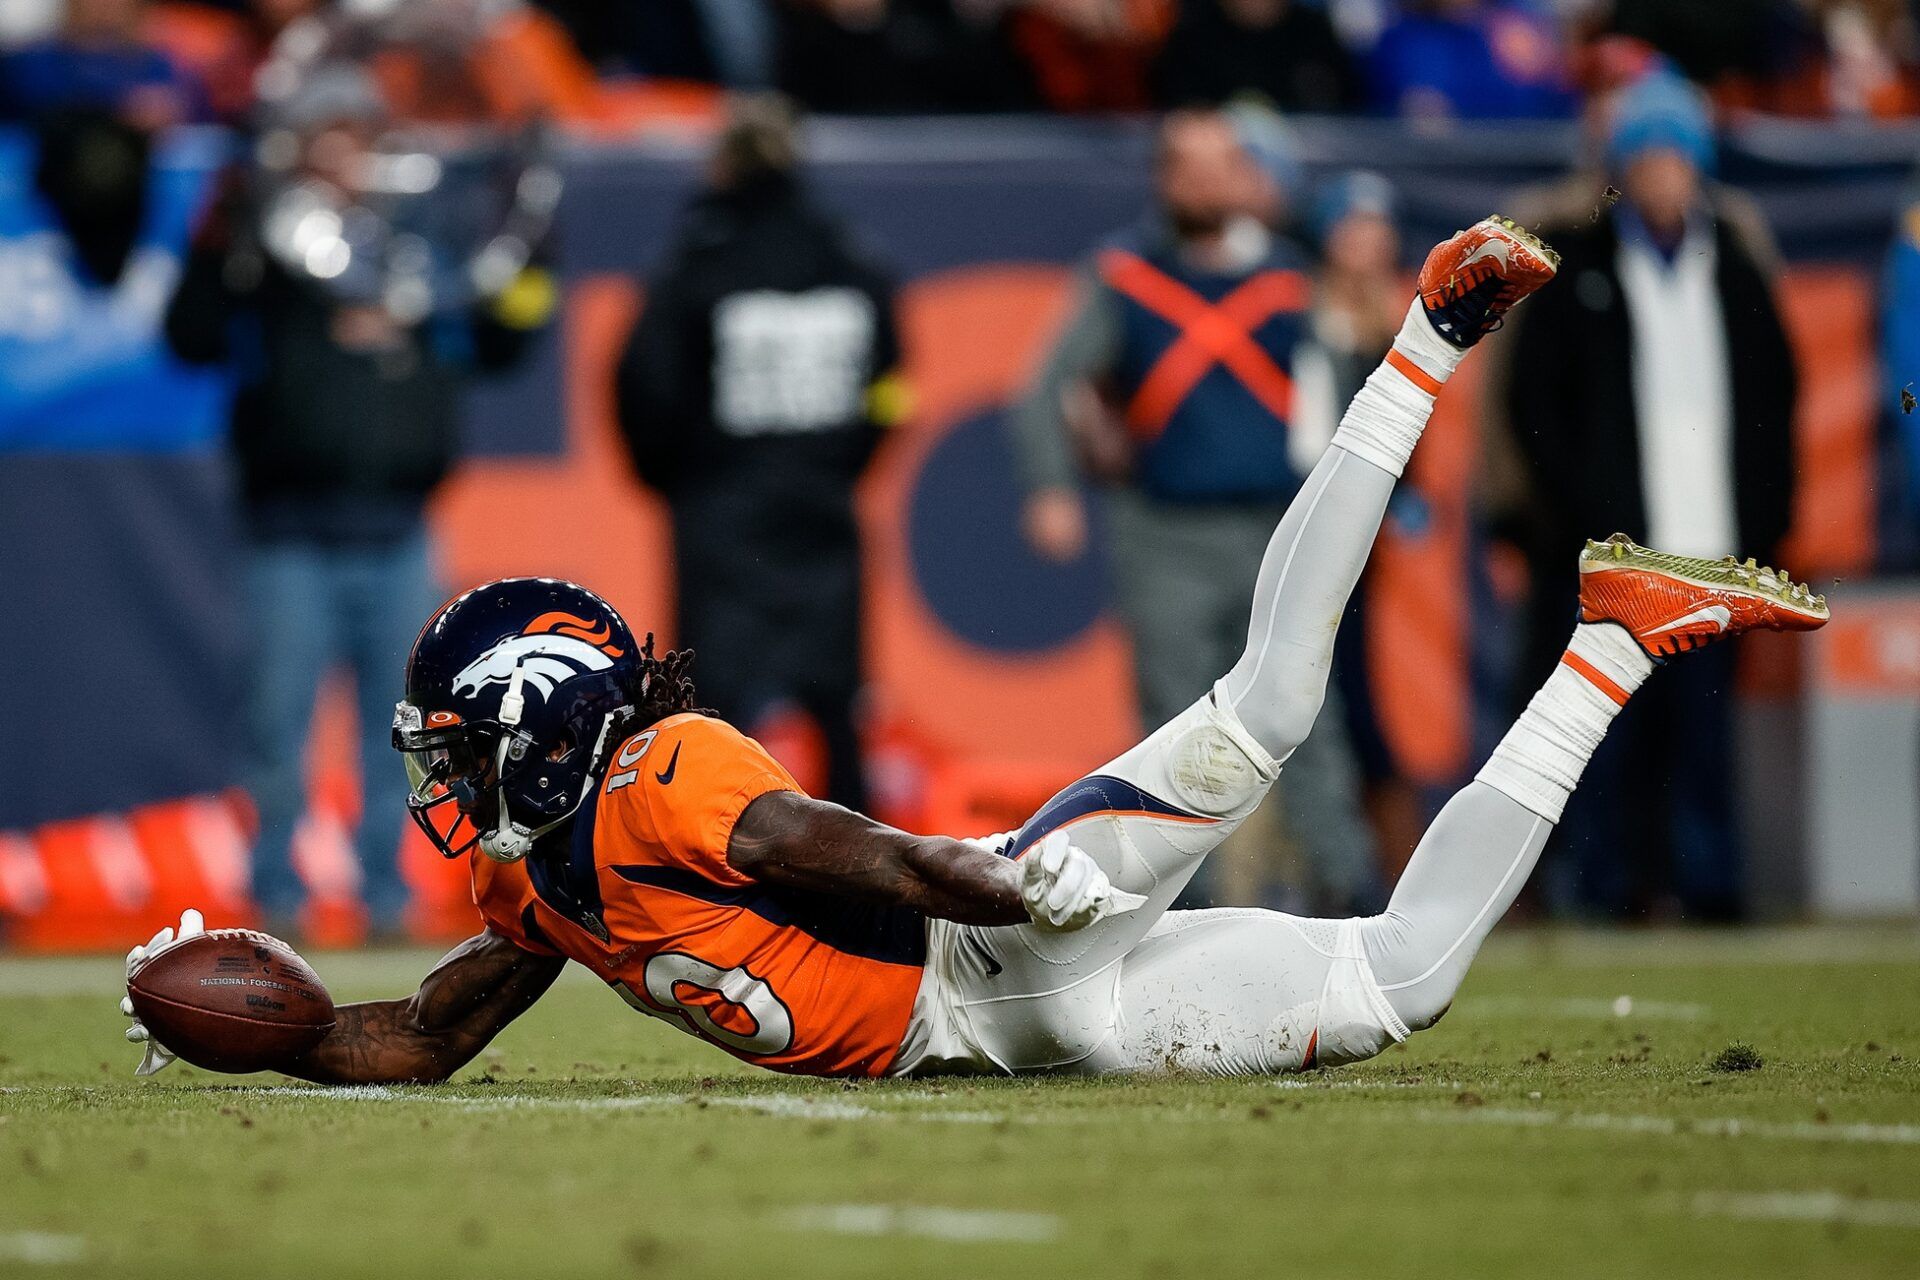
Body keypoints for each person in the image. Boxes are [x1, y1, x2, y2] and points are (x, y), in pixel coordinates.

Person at [120, 216, 1830, 1084]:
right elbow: (423, 1034)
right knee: (1400, 985)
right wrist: (261, 1039)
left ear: (529, 721)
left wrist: (1013, 888)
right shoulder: (542, 877)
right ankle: (1614, 644)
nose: (439, 779)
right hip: (1025, 1029)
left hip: (997, 949)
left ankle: (1424, 335)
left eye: (452, 744)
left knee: (1269, 705)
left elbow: (825, 845)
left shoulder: (660, 775)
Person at [163, 65, 556, 938]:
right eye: (328, 134)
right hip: (289, 528)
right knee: (278, 727)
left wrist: (531, 241)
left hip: (398, 525)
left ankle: (388, 897)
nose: (346, 153)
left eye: (360, 133)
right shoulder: (267, 247)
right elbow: (188, 337)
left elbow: (502, 340)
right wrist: (224, 233)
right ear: (297, 151)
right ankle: (273, 899)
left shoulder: (424, 245)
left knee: (410, 732)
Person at [1010, 107, 1376, 911]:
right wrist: (1054, 486)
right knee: (1175, 735)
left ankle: (1347, 893)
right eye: (1191, 167)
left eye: (1223, 165)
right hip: (1164, 532)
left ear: (1248, 178)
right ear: (1163, 178)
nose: (1208, 183)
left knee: (1308, 718)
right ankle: (1190, 908)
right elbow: (1046, 389)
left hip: (1280, 533)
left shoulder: (1289, 280)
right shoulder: (1123, 276)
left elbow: (1338, 407)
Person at [1503, 73, 1799, 921]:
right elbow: (1536, 405)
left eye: (1679, 158)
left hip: (1714, 546)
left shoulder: (1735, 265)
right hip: (1617, 549)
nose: (1665, 175)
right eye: (1650, 157)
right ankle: (1606, 888)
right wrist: (1570, 514)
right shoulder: (1583, 266)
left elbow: (1776, 401)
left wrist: (1767, 518)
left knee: (1705, 735)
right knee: (1605, 730)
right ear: (1625, 168)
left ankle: (1709, 887)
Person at [615, 94, 904, 814]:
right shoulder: (848, 258)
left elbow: (644, 382)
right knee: (836, 706)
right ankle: (862, 880)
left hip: (723, 513)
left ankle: (712, 866)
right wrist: (844, 462)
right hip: (822, 512)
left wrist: (677, 474)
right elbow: (894, 387)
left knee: (714, 713)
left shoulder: (700, 262)